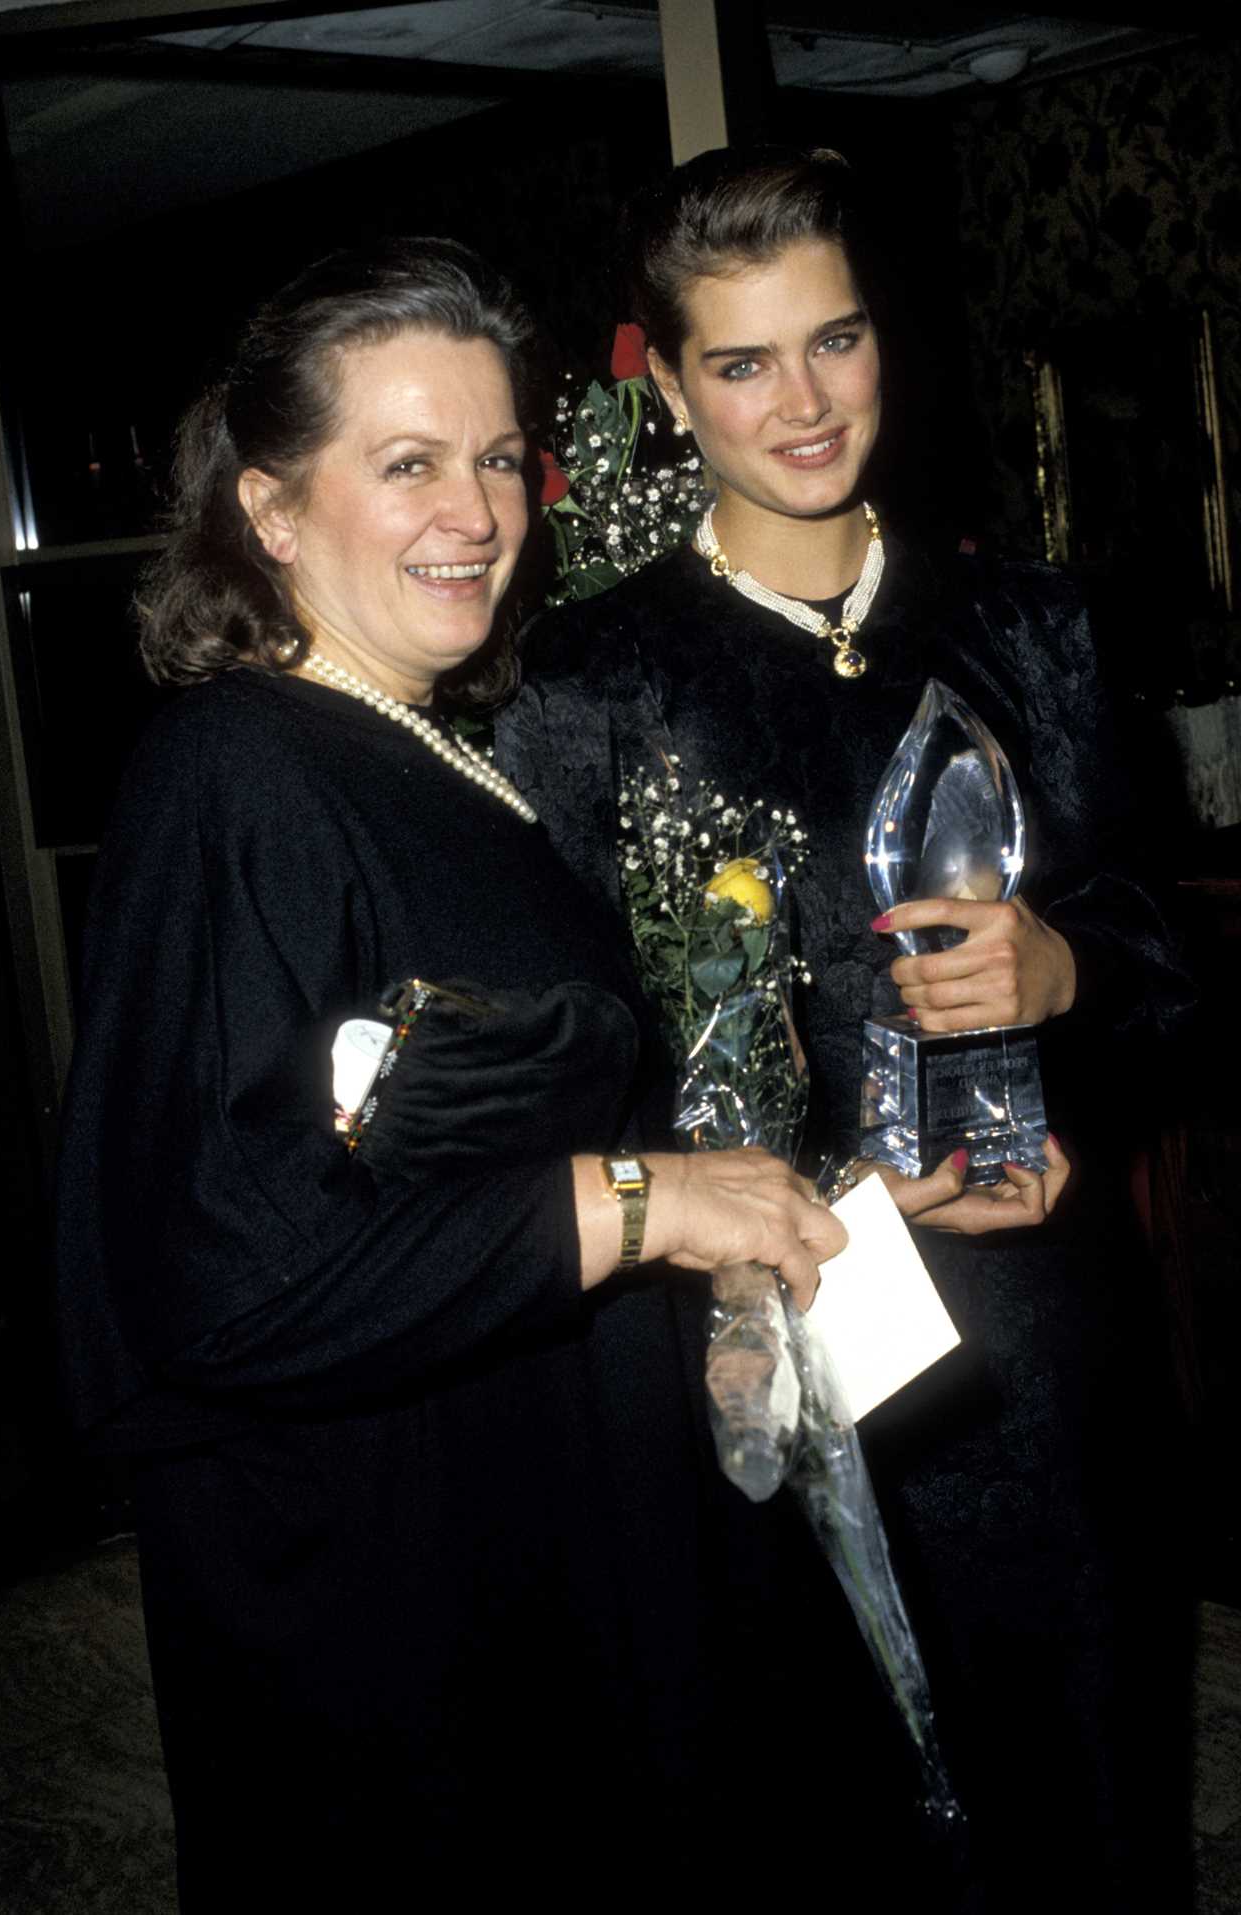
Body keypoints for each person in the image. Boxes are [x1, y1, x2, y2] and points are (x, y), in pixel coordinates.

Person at [54, 238, 862, 1907]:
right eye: (408, 463)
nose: (478, 513)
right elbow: (222, 1277)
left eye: (497, 458)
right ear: (270, 513)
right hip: (390, 1608)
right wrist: (642, 1202)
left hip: (527, 1531)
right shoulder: (237, 773)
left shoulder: (421, 745)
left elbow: (440, 1131)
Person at [497, 148, 1197, 1910]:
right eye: (743, 363)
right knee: (828, 1820)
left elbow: (1179, 982)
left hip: (1040, 1350)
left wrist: (1071, 973)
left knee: (1090, 1803)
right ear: (665, 376)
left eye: (838, 342)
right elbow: (563, 1070)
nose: (803, 404)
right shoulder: (586, 685)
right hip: (766, 1369)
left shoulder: (1031, 627)